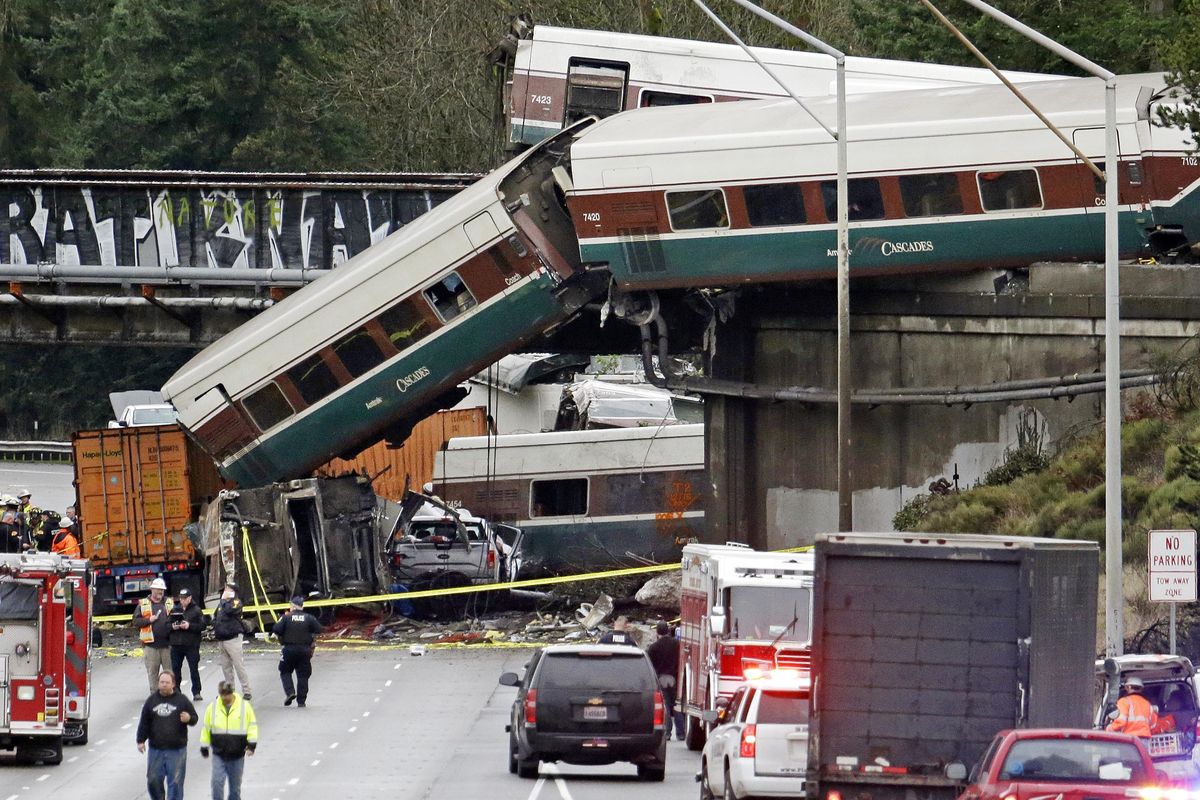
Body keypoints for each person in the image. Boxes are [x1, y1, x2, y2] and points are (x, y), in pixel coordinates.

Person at [136, 671, 198, 800]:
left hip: (176, 750)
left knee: (175, 782)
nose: (164, 685)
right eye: (162, 682)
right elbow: (144, 722)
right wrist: (140, 740)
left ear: (173, 684)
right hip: (156, 749)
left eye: (167, 682)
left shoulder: (182, 700)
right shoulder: (151, 701)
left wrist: (189, 719)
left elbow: (194, 718)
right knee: (153, 780)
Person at [200, 681, 258, 800]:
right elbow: (206, 727)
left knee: (235, 789)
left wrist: (252, 745)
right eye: (222, 694)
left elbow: (252, 726)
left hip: (237, 755)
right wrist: (204, 746)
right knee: (216, 783)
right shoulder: (213, 707)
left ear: (232, 693)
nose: (225, 697)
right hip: (219, 753)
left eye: (227, 694)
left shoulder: (244, 707)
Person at [272, 596, 322, 707]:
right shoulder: (309, 617)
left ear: (293, 606)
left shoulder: (286, 617)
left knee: (285, 671)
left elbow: (276, 629)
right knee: (303, 675)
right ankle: (301, 701)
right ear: (302, 606)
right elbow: (319, 629)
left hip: (289, 649)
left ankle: (290, 692)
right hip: (304, 650)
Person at [212, 582, 253, 700]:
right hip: (222, 638)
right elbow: (216, 616)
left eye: (227, 588)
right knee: (226, 667)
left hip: (233, 638)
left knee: (238, 665)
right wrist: (215, 625)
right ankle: (230, 691)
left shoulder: (236, 602)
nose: (225, 590)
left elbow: (230, 611)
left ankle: (247, 690)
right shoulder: (221, 603)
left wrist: (224, 600)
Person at [134, 577, 175, 691]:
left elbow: (176, 618)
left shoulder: (169, 603)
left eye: (162, 590)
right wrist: (149, 620)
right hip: (151, 646)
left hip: (167, 645)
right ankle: (155, 696)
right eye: (158, 590)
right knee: (152, 673)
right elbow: (136, 622)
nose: (160, 592)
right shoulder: (143, 604)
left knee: (169, 673)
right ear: (152, 590)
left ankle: (170, 695)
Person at [647, 620, 686, 740]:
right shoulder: (677, 644)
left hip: (661, 679)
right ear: (668, 631)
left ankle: (667, 733)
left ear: (657, 632)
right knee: (677, 706)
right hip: (675, 679)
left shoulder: (653, 647)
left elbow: (650, 665)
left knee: (666, 707)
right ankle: (681, 733)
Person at [170, 587, 207, 702]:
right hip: (176, 644)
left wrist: (189, 626)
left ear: (190, 598)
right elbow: (168, 623)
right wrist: (173, 626)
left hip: (191, 644)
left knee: (193, 669)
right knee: (175, 669)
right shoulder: (175, 609)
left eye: (185, 598)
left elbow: (203, 626)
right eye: (181, 598)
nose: (182, 601)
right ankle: (176, 690)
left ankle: (196, 691)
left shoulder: (196, 610)